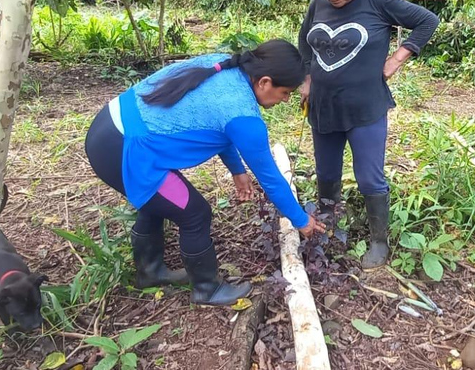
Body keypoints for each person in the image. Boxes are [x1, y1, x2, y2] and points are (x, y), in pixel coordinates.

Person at [85, 39, 326, 306]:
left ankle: (150, 272)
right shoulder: (244, 116)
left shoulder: (225, 67)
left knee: (157, 202)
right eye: (286, 93)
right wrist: (301, 220)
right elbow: (270, 178)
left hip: (109, 126)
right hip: (126, 148)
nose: (286, 100)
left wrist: (237, 170)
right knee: (195, 213)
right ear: (265, 82)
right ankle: (206, 289)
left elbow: (218, 127)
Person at [299, 0, 439, 270]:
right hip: (324, 107)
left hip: (365, 109)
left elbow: (427, 21)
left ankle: (379, 241)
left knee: (369, 179)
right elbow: (305, 43)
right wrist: (306, 79)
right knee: (327, 174)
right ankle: (328, 226)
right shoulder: (317, 5)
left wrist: (399, 58)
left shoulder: (377, 1)